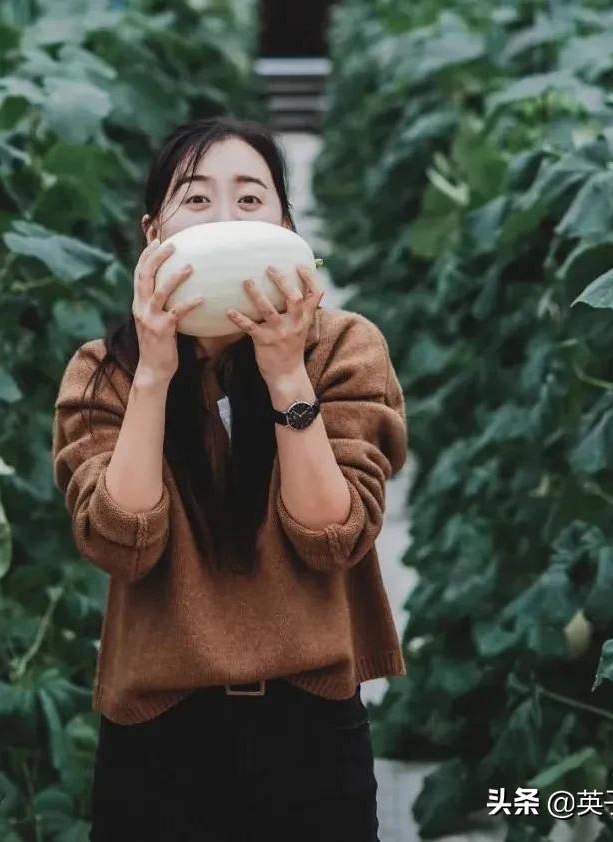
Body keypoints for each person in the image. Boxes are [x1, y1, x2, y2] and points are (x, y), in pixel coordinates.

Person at [51, 115, 408, 842]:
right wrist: (154, 373)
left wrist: (284, 375)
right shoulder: (103, 372)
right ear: (153, 235)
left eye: (249, 200)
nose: (223, 219)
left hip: (312, 727)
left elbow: (332, 537)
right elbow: (123, 543)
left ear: (286, 226)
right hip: (157, 732)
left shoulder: (346, 347)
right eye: (196, 199)